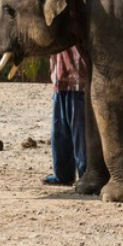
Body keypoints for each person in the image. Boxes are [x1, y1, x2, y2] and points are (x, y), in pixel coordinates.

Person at [43, 46, 88, 186]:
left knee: (80, 135)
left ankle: (86, 175)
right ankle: (63, 175)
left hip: (79, 83)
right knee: (60, 132)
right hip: (59, 81)